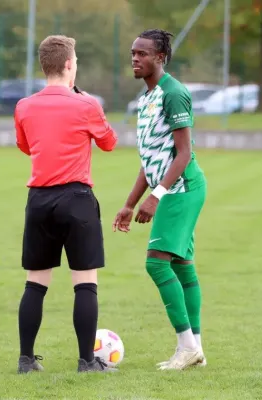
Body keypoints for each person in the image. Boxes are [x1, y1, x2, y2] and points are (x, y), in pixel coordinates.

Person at [14, 35, 118, 374]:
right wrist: (90, 104)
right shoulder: (86, 104)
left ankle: (26, 360)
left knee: (35, 281)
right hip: (77, 199)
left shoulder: (24, 106)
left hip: (40, 200)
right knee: (85, 282)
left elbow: (27, 146)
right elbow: (109, 143)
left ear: (44, 66)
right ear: (70, 65)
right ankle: (87, 361)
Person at [112, 29, 207, 371]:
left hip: (183, 188)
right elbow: (150, 157)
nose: (135, 58)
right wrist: (129, 203)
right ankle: (197, 349)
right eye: (132, 53)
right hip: (170, 188)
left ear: (161, 57)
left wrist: (155, 198)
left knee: (156, 262)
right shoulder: (146, 97)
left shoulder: (174, 93)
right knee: (182, 266)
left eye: (142, 53)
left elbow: (184, 154)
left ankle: (187, 346)